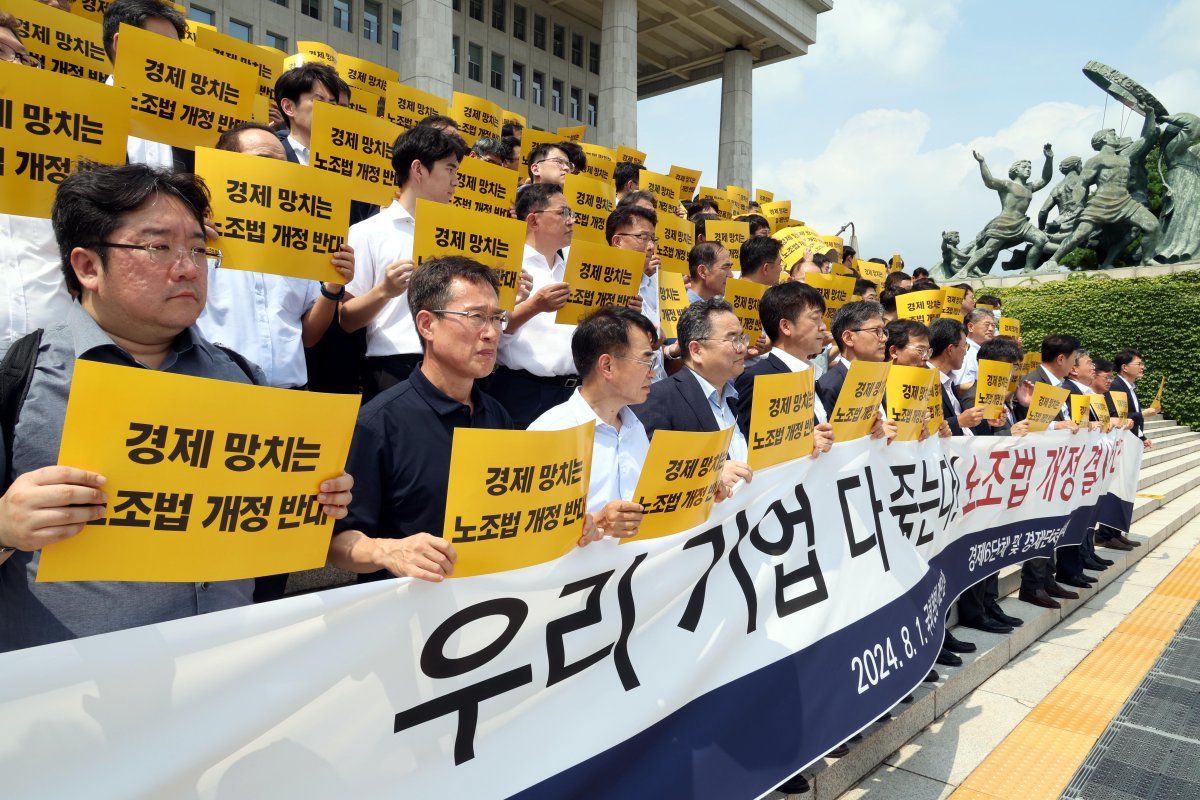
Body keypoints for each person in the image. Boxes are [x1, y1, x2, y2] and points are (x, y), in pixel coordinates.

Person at [0, 163, 352, 652]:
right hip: (67, 699)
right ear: (87, 266)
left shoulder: (243, 380)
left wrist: (313, 500)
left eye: (197, 248)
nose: (187, 266)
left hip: (219, 676)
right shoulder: (17, 378)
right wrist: (6, 527)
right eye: (157, 247)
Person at [330, 257, 515, 583]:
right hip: (404, 616)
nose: (490, 333)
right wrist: (386, 551)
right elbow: (337, 543)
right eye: (475, 317)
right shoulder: (377, 424)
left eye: (497, 318)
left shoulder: (498, 415)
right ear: (427, 324)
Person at [196, 122, 355, 391]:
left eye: (284, 163)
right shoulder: (197, 241)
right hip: (216, 392)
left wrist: (333, 286)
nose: (278, 170)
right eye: (265, 160)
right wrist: (189, 241)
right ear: (226, 164)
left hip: (289, 397)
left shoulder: (300, 243)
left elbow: (308, 337)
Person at [339, 126, 467, 401]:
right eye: (450, 170)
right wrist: (384, 290)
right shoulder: (367, 232)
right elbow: (346, 319)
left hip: (457, 365)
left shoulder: (461, 235)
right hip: (395, 368)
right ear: (418, 169)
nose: (456, 181)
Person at [528, 307, 658, 538]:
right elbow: (528, 528)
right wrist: (596, 522)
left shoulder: (635, 427)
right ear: (607, 366)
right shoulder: (550, 432)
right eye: (646, 361)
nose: (653, 373)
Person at [0, 11, 73, 360]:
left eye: (23, 57)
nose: (17, 64)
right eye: (1, 51)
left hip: (50, 360)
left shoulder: (66, 154)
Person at [632, 299, 753, 493]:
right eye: (733, 339)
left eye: (742, 338)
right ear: (696, 350)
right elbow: (648, 479)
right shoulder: (657, 400)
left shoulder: (734, 399)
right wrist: (710, 476)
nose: (743, 348)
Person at [490, 183, 579, 428]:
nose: (571, 221)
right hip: (523, 393)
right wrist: (535, 305)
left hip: (574, 393)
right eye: (563, 213)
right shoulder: (504, 263)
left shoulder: (574, 267)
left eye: (572, 214)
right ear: (533, 220)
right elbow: (493, 327)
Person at [956, 336, 1028, 633]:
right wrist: (1008, 432)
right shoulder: (975, 399)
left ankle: (989, 602)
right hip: (979, 488)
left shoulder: (999, 398)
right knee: (981, 548)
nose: (1013, 376)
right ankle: (976, 609)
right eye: (1010, 368)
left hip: (997, 485)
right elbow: (977, 447)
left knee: (993, 549)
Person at [1014, 334, 1084, 609]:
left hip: (1059, 465)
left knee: (1054, 522)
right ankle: (1032, 585)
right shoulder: (1033, 382)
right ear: (1061, 359)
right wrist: (1058, 427)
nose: (1076, 365)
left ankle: (1047, 579)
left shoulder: (1065, 385)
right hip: (1038, 467)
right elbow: (1025, 423)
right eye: (1074, 359)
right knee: (1040, 524)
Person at [734, 282, 835, 454]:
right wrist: (803, 445)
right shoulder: (758, 380)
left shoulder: (810, 376)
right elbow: (748, 449)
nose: (823, 326)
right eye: (815, 318)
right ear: (786, 326)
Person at [102, 0, 189, 170]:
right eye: (164, 46)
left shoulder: (191, 123)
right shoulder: (77, 111)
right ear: (121, 44)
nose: (174, 58)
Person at [815, 301, 886, 419]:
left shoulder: (881, 380)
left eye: (883, 331)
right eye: (876, 331)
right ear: (848, 338)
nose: (883, 338)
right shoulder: (829, 386)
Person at [272, 63, 341, 166]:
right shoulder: (273, 156)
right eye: (319, 101)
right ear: (288, 107)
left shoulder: (343, 161)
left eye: (332, 104)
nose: (328, 109)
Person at [1108, 348, 1156, 446]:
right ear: (1124, 367)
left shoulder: (1130, 387)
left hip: (1131, 440)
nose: (1142, 367)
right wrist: (1142, 414)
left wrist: (1142, 437)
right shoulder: (1115, 386)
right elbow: (1115, 417)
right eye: (1139, 364)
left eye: (1142, 364)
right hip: (1120, 442)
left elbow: (1132, 417)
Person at [952, 309, 997, 396]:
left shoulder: (983, 351)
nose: (991, 329)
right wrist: (992, 390)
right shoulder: (965, 350)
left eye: (993, 325)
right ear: (971, 327)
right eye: (987, 325)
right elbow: (959, 386)